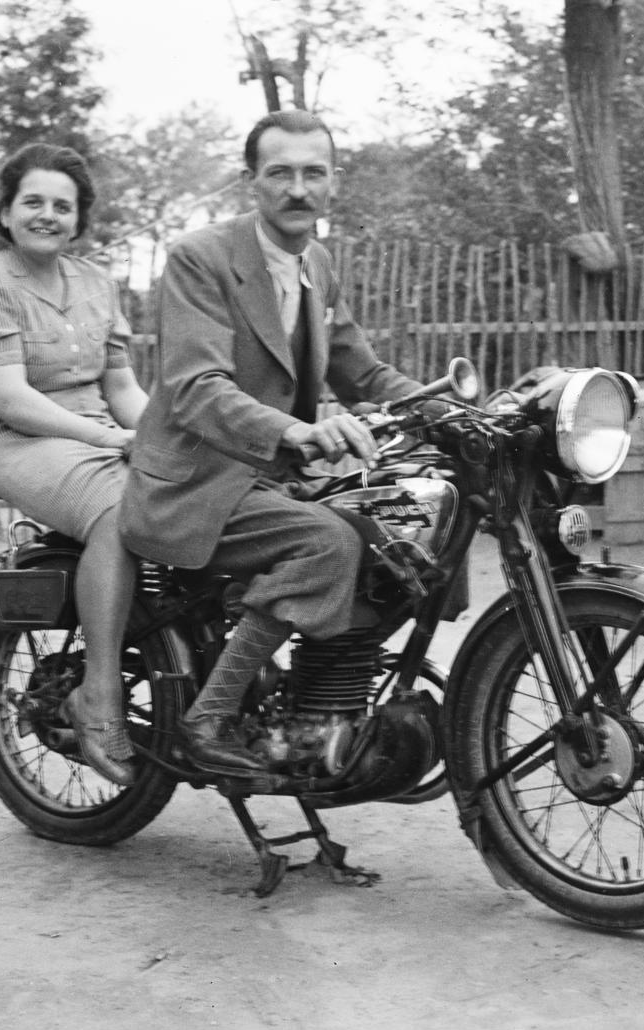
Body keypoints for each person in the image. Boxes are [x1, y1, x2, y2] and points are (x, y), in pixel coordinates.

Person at [119, 110, 422, 776]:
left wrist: (457, 407)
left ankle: (320, 717)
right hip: (196, 483)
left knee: (400, 538)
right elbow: (196, 387)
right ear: (251, 180)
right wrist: (296, 432)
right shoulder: (202, 258)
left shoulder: (314, 262)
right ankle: (208, 718)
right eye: (280, 173)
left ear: (334, 183)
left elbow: (362, 372)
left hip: (266, 480)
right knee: (326, 542)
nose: (298, 189)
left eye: (314, 173)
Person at [0, 143, 146, 787]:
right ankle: (100, 697)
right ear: (6, 213)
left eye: (63, 206)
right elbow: (9, 398)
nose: (48, 215)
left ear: (78, 219)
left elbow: (122, 388)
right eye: (33, 201)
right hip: (13, 436)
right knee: (119, 509)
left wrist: (161, 433)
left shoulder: (97, 283)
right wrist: (109, 440)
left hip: (93, 429)